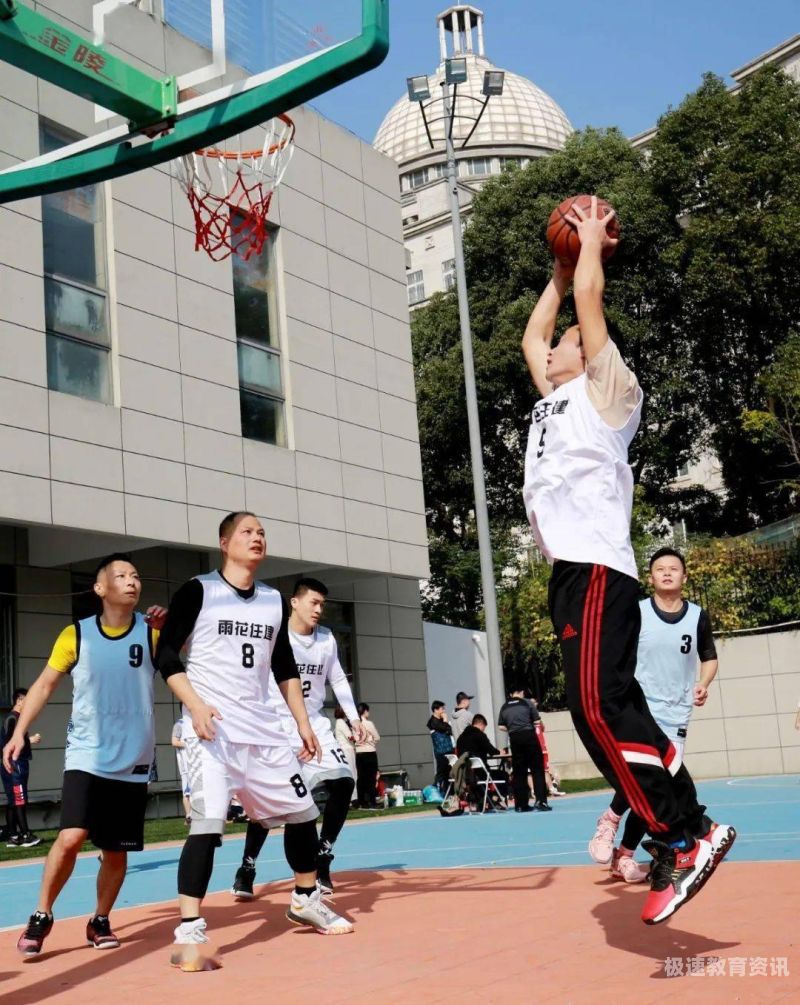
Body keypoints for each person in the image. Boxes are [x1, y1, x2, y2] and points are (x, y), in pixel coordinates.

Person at [521, 196, 734, 924]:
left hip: (595, 566)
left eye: (568, 342)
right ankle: (695, 821)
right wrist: (556, 268)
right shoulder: (553, 397)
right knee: (602, 714)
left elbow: (587, 297)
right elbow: (532, 333)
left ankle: (679, 836)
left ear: (590, 350)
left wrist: (585, 247)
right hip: (568, 573)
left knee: (598, 706)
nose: (554, 348)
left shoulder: (609, 390)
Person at [156, 512, 353, 969]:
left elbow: (283, 665)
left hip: (265, 732)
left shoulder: (271, 600)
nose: (257, 537)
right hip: (213, 732)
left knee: (304, 814)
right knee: (207, 825)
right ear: (225, 542)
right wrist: (195, 705)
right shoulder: (198, 590)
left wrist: (303, 723)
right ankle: (189, 927)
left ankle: (305, 899)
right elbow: (165, 654)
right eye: (247, 531)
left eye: (262, 532)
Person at [3, 554, 165, 955]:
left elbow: (190, 660)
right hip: (87, 754)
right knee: (72, 836)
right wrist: (18, 731)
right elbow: (43, 686)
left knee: (116, 849)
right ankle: (42, 915)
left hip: (134, 759)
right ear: (99, 588)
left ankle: (100, 919)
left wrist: (174, 630)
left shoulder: (152, 632)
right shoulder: (75, 635)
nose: (131, 581)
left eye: (135, 575)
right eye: (120, 576)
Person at [589, 547, 719, 884]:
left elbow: (709, 656)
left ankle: (624, 855)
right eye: (659, 568)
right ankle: (610, 820)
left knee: (659, 790)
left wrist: (703, 683)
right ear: (650, 577)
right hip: (640, 709)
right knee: (646, 778)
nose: (666, 573)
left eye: (673, 568)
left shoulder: (697, 616)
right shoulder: (639, 613)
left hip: (677, 713)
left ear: (684, 576)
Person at [230, 577, 365, 898]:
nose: (319, 610)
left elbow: (338, 680)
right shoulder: (274, 636)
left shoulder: (327, 640)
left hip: (314, 726)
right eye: (313, 603)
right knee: (267, 809)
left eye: (323, 605)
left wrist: (354, 717)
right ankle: (247, 867)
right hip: (276, 729)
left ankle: (323, 855)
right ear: (294, 602)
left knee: (344, 781)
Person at [497, 686, 550, 813]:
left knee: (519, 772)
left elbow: (501, 726)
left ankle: (520, 804)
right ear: (521, 692)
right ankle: (541, 801)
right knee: (537, 769)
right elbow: (537, 722)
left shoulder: (504, 707)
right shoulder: (527, 703)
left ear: (510, 694)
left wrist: (512, 728)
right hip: (529, 736)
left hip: (514, 738)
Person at [1, 688, 42, 848]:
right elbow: (10, 743)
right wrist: (28, 739)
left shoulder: (14, 718)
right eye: (27, 699)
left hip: (12, 764)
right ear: (19, 700)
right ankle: (25, 834)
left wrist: (27, 740)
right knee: (19, 799)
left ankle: (13, 836)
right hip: (15, 764)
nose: (30, 703)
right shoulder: (13, 718)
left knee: (13, 801)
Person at [354, 702, 380, 809]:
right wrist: (370, 740)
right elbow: (377, 737)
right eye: (367, 711)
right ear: (365, 711)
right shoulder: (368, 723)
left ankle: (362, 802)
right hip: (369, 752)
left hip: (359, 753)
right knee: (371, 778)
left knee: (361, 778)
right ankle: (372, 801)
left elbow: (354, 738)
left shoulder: (354, 725)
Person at [427, 701, 455, 794]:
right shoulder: (433, 722)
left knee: (447, 772)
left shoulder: (440, 720)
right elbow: (445, 728)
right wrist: (446, 720)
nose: (444, 711)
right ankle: (436, 790)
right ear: (435, 710)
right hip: (441, 751)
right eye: (442, 709)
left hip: (447, 750)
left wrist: (446, 723)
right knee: (442, 772)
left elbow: (450, 730)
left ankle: (447, 792)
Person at [171, 718, 192, 825]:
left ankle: (193, 816)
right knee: (187, 792)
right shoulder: (180, 724)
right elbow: (174, 742)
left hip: (196, 764)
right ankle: (189, 816)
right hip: (186, 766)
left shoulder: (195, 722)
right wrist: (190, 744)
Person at [334, 706, 358, 785]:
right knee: (352, 772)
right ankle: (354, 795)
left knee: (349, 772)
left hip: (343, 749)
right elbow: (350, 737)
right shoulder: (341, 723)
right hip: (347, 750)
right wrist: (358, 739)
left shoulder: (338, 722)